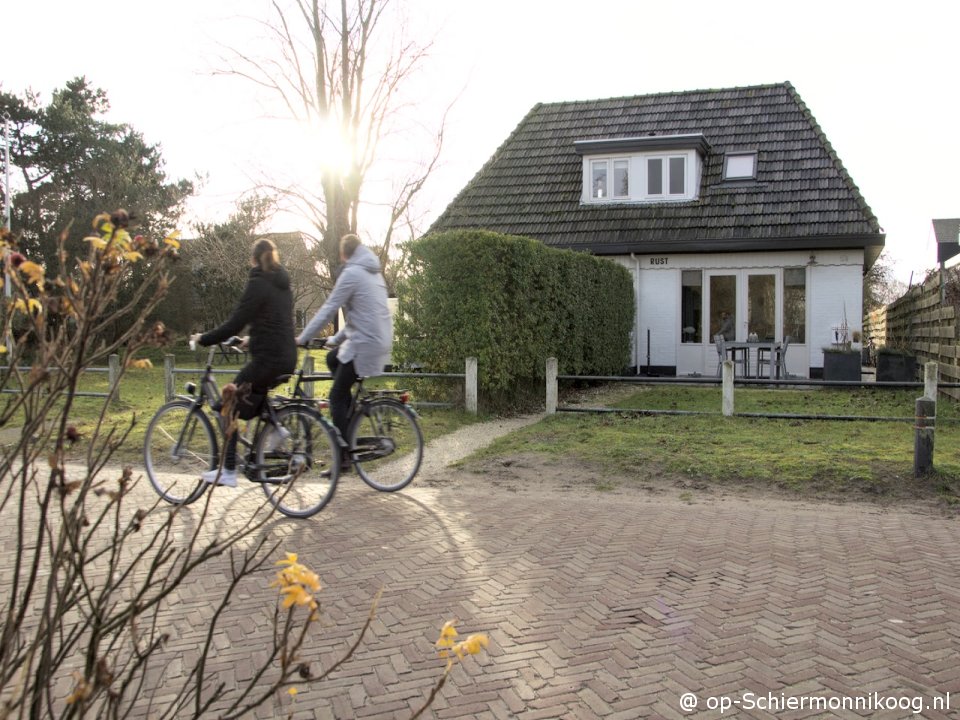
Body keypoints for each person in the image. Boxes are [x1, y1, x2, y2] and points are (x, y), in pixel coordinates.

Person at [190, 238, 297, 487]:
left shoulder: (258, 282)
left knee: (228, 404)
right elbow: (275, 321)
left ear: (253, 259)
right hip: (286, 356)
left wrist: (204, 338)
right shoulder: (283, 283)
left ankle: (228, 470)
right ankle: (277, 428)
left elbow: (235, 322)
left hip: (268, 359)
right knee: (250, 398)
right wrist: (252, 338)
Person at [297, 234, 393, 464]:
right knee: (332, 359)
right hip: (377, 340)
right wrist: (334, 339)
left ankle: (343, 458)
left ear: (343, 254)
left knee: (335, 397)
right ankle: (350, 418)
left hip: (364, 344)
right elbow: (359, 317)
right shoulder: (373, 272)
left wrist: (303, 337)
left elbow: (329, 308)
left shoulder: (351, 273)